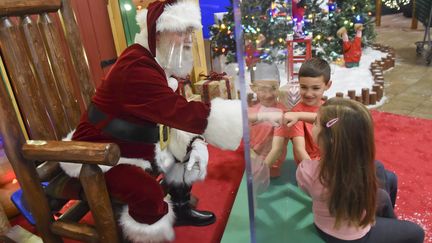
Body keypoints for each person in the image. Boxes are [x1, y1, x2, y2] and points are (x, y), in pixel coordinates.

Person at [59, 1, 245, 242]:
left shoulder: (158, 63)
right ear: (157, 33)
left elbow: (174, 116)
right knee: (146, 192)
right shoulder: (136, 68)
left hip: (133, 142)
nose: (188, 39)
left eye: (190, 31)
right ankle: (147, 234)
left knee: (187, 152)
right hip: (98, 155)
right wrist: (244, 115)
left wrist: (194, 142)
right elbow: (181, 113)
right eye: (181, 32)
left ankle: (180, 208)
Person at [296, 98, 424, 243]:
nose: (312, 125)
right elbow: (338, 124)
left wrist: (298, 116)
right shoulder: (360, 163)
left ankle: (381, 222)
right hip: (348, 235)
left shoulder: (307, 172)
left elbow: (308, 188)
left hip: (333, 228)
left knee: (387, 178)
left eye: (315, 123)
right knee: (416, 231)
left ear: (330, 138)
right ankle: (383, 223)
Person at [288, 58, 398, 207]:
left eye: (315, 88)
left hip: (336, 160)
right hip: (319, 170)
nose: (308, 93)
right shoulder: (296, 114)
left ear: (328, 85)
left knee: (389, 177)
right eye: (303, 87)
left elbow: (340, 128)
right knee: (380, 193)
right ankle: (373, 213)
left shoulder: (328, 108)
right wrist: (314, 175)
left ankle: (378, 213)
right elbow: (300, 149)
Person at [248, 63, 290, 178]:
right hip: (253, 162)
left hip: (271, 165)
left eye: (273, 89)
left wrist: (262, 172)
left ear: (279, 86)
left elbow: (277, 149)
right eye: (262, 89)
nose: (268, 95)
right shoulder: (252, 110)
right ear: (253, 88)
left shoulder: (281, 112)